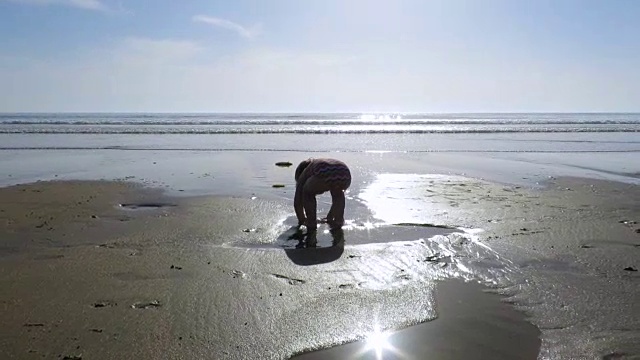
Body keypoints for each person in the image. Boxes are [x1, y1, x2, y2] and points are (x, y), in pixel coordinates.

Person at [294, 158, 351, 232]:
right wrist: (330, 216)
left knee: (307, 192)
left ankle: (311, 222)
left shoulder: (305, 173)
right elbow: (336, 201)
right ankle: (338, 220)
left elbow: (297, 202)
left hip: (323, 172)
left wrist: (301, 219)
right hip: (345, 173)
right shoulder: (318, 163)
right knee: (338, 193)